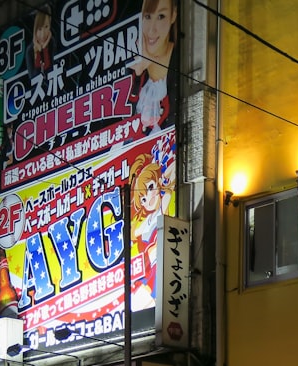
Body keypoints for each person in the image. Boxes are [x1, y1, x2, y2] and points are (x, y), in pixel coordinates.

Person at [129, 151, 174, 305]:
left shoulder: (162, 207)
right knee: (137, 302)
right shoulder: (143, 223)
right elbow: (134, 233)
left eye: (150, 188)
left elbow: (173, 171)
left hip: (160, 269)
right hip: (148, 273)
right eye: (142, 198)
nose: (148, 198)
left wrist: (163, 178)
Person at [130, 0, 178, 133]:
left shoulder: (180, 60)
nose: (152, 29)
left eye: (161, 16)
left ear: (173, 15)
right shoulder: (134, 70)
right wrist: (138, 75)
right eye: (148, 17)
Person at [26, 9, 53, 79]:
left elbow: (53, 70)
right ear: (35, 29)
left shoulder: (52, 43)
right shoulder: (30, 50)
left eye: (46, 27)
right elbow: (33, 77)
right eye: (40, 29)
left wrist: (44, 48)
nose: (43, 34)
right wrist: (37, 53)